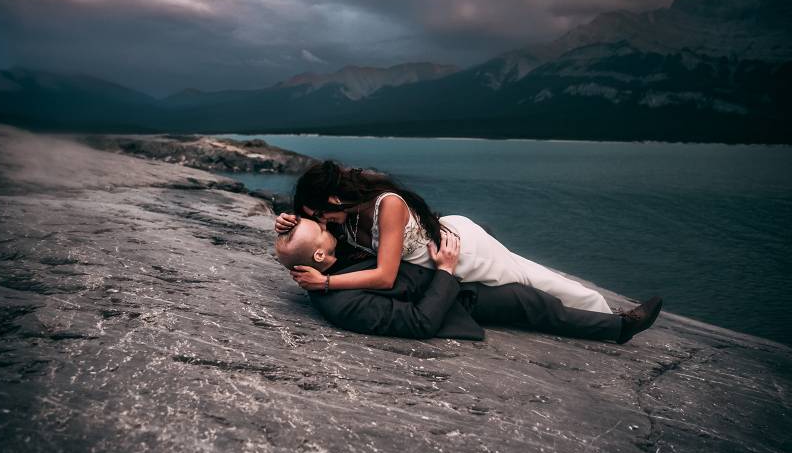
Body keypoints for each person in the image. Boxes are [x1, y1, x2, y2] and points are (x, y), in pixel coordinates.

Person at [275, 161, 612, 313]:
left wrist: (326, 284)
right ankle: (599, 309)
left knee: (528, 279)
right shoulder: (342, 216)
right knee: (526, 271)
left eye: (316, 215)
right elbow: (314, 243)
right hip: (439, 245)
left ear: (333, 200)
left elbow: (384, 276)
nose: (318, 222)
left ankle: (602, 312)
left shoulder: (386, 206)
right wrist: (288, 225)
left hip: (460, 251)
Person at [275, 218, 663, 343]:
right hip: (457, 300)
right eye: (319, 230)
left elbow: (332, 224)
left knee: (531, 277)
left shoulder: (333, 259)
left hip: (454, 276)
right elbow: (420, 323)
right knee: (534, 303)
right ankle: (618, 328)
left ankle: (601, 311)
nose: (327, 227)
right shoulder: (342, 302)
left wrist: (287, 219)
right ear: (321, 256)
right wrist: (445, 270)